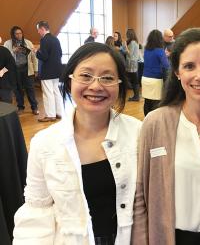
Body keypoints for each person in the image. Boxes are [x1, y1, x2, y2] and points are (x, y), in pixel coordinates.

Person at [13, 43, 142, 244]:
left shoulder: (139, 133)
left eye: (107, 78)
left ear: (119, 84)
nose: (96, 86)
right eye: (86, 75)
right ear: (70, 80)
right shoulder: (45, 144)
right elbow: (37, 211)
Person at [133, 28, 200, 245]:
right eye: (189, 66)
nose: (199, 75)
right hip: (171, 238)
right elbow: (140, 195)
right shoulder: (156, 123)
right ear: (177, 72)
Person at [4, 26, 39, 114]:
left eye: (20, 33)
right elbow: (5, 58)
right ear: (13, 34)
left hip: (27, 68)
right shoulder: (8, 43)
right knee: (18, 89)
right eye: (17, 33)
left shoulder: (28, 42)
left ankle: (34, 108)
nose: (19, 35)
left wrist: (36, 69)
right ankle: (20, 107)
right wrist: (13, 51)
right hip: (15, 70)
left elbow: (34, 57)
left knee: (30, 89)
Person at [35, 21, 63, 122]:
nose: (38, 32)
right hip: (56, 70)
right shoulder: (55, 39)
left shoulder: (44, 40)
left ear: (42, 29)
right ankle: (58, 113)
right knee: (56, 91)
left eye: (38, 30)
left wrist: (36, 52)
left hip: (47, 71)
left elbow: (44, 56)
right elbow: (60, 53)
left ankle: (50, 115)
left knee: (48, 93)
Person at [141, 29, 169, 115]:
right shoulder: (160, 51)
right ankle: (153, 121)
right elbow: (166, 65)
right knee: (156, 103)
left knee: (147, 101)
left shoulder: (146, 50)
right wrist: (167, 56)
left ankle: (146, 119)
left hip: (145, 78)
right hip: (156, 80)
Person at [125, 28, 140, 101]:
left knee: (134, 80)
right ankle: (136, 96)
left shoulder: (133, 42)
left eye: (127, 34)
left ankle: (136, 96)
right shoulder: (135, 41)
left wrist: (125, 46)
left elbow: (130, 53)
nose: (126, 36)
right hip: (133, 63)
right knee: (134, 80)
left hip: (132, 64)